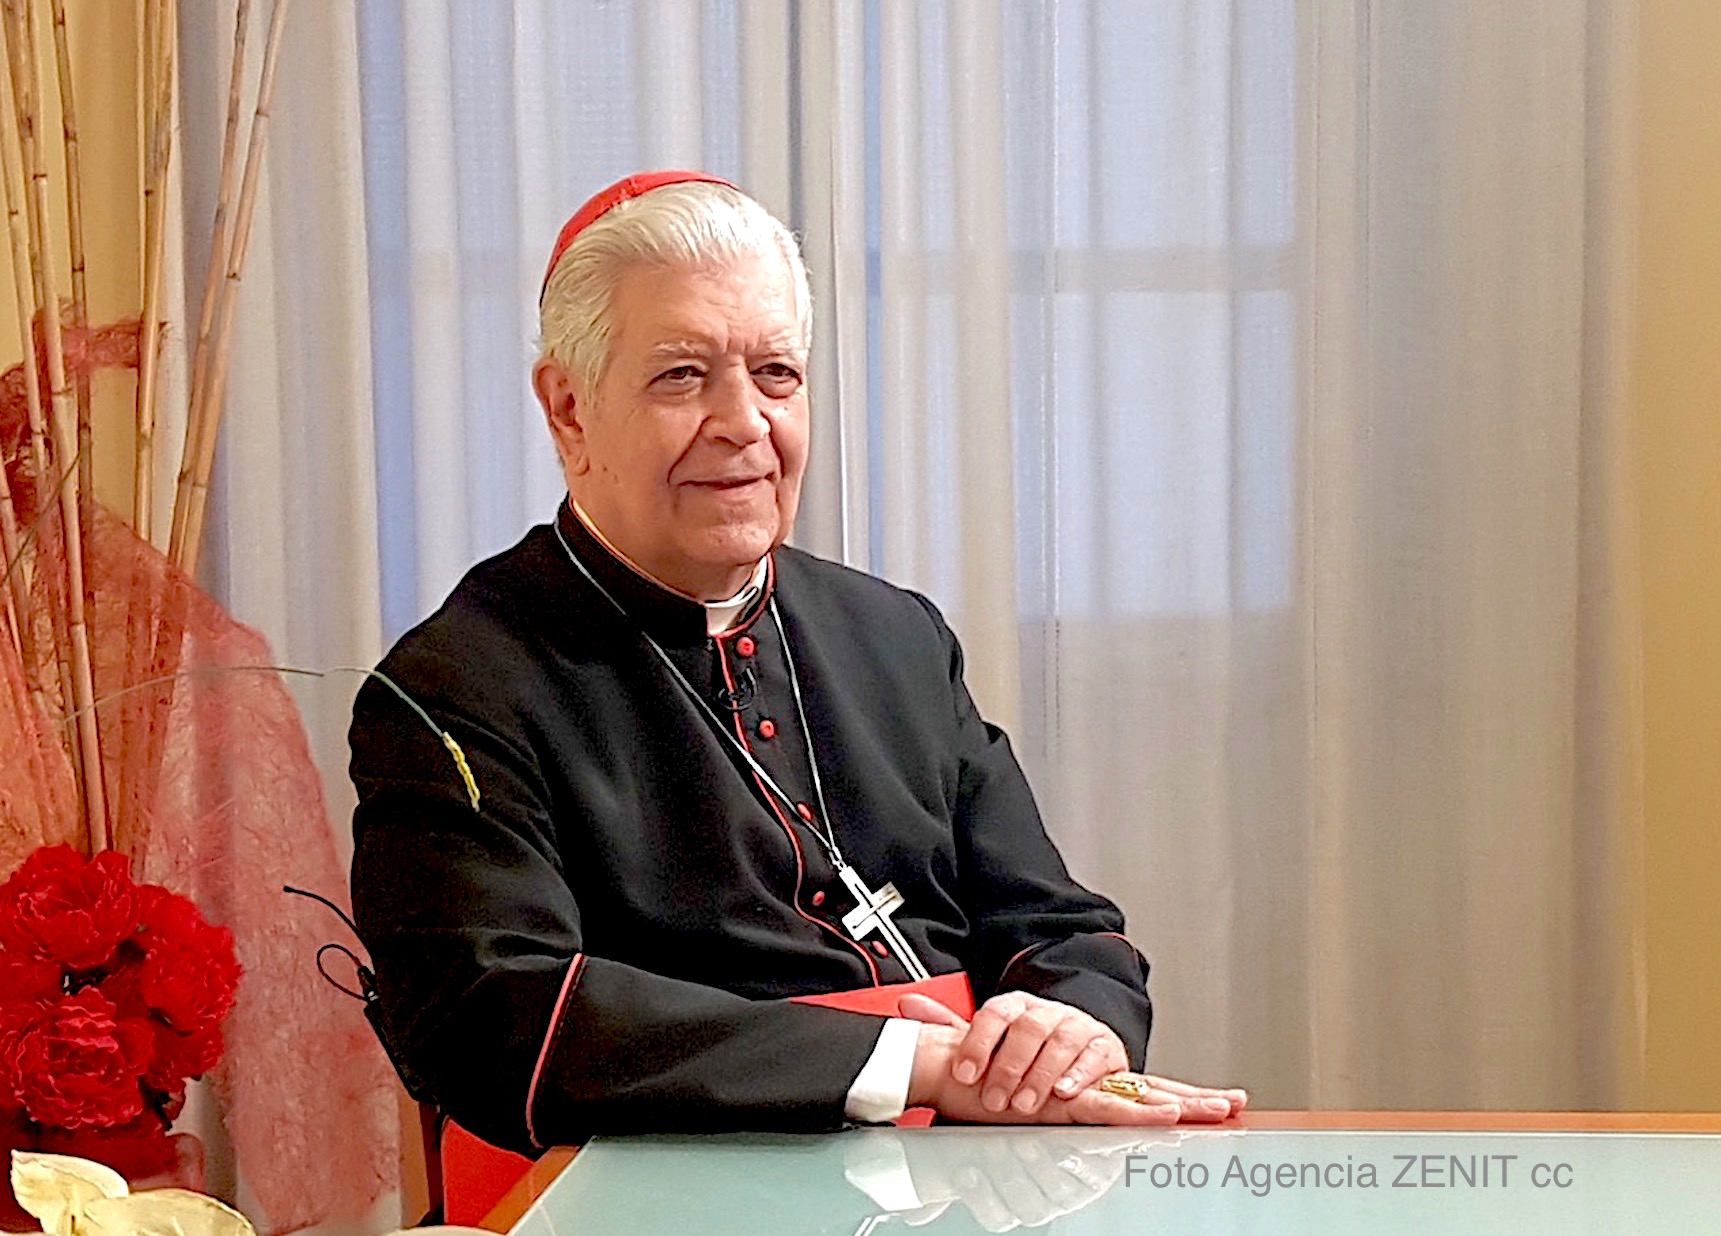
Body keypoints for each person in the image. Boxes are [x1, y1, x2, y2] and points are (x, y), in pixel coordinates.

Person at [348, 171, 1245, 1157]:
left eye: (775, 373)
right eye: (682, 376)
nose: (744, 422)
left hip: (973, 1176)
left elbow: (1057, 926)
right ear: (569, 409)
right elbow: (493, 1009)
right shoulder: (458, 684)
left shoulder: (894, 634)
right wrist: (910, 1065)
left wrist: (1069, 1027)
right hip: (665, 1188)